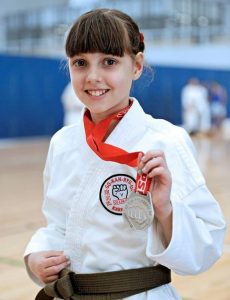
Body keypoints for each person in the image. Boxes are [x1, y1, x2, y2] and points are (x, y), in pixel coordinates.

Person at [24, 9, 226, 300]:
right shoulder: (63, 142)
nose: (93, 76)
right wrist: (36, 257)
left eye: (109, 62)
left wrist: (165, 210)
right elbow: (57, 223)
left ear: (137, 66)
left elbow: (204, 250)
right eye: (80, 63)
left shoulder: (166, 141)